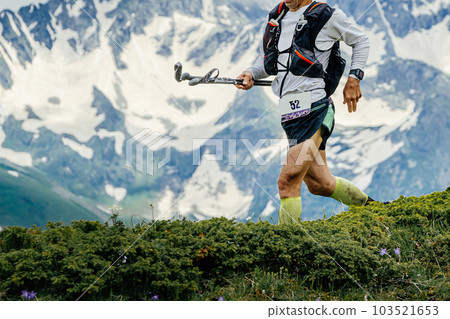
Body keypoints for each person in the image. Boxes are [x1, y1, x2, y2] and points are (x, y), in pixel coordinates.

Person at [236, 0, 374, 225]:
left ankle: (286, 244)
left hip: (315, 109)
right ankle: (374, 209)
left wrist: (354, 78)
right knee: (321, 184)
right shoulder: (279, 17)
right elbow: (273, 61)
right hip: (290, 114)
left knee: (287, 180)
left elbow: (361, 40)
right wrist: (251, 73)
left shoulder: (326, 15)